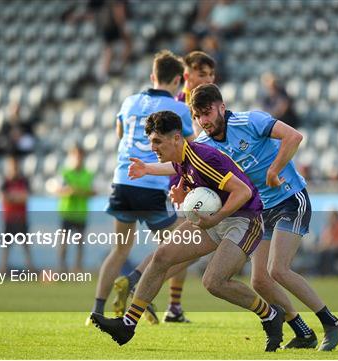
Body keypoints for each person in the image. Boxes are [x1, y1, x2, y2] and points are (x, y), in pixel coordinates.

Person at [91, 111, 285, 352]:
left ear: (175, 139)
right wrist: (149, 170)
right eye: (152, 142)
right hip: (214, 219)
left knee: (214, 282)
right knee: (162, 256)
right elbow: (173, 169)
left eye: (157, 142)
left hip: (244, 220)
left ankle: (270, 314)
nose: (153, 147)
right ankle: (127, 325)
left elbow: (243, 192)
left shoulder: (202, 158)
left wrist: (216, 217)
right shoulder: (182, 158)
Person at [190, 84, 338, 351]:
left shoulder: (251, 120)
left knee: (278, 269)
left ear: (222, 108)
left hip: (290, 199)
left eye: (208, 113)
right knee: (259, 280)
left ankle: (332, 323)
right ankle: (303, 333)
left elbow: (294, 137)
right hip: (261, 211)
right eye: (199, 116)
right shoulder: (204, 146)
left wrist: (274, 170)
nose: (204, 121)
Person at [86, 50, 195, 326]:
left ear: (152, 77)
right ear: (177, 81)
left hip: (123, 180)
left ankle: (96, 311)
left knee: (119, 249)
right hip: (152, 183)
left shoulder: (130, 100)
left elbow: (120, 134)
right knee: (183, 247)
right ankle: (135, 281)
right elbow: (190, 148)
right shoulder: (178, 109)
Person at [111, 50, 216, 323]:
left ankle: (170, 304)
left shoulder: (202, 103)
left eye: (211, 75)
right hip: (177, 180)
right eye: (201, 74)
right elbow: (188, 147)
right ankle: (141, 285)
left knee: (178, 247)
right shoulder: (176, 103)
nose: (207, 78)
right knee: (178, 247)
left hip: (190, 179)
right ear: (186, 76)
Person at [55, 146, 95, 273]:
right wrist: (69, 191)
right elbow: (58, 189)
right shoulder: (65, 173)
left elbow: (93, 191)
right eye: (76, 155)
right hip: (67, 213)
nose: (78, 158)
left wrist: (81, 192)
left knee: (79, 245)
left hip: (81, 214)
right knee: (63, 244)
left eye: (80, 156)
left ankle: (77, 269)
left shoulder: (88, 174)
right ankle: (62, 269)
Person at [0, 156, 33, 272]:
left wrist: (11, 197)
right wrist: (16, 197)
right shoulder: (5, 182)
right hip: (8, 218)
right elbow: (2, 198)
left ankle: (31, 269)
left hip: (21, 218)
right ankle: (3, 269)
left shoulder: (24, 181)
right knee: (6, 246)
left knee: (26, 246)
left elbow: (25, 198)